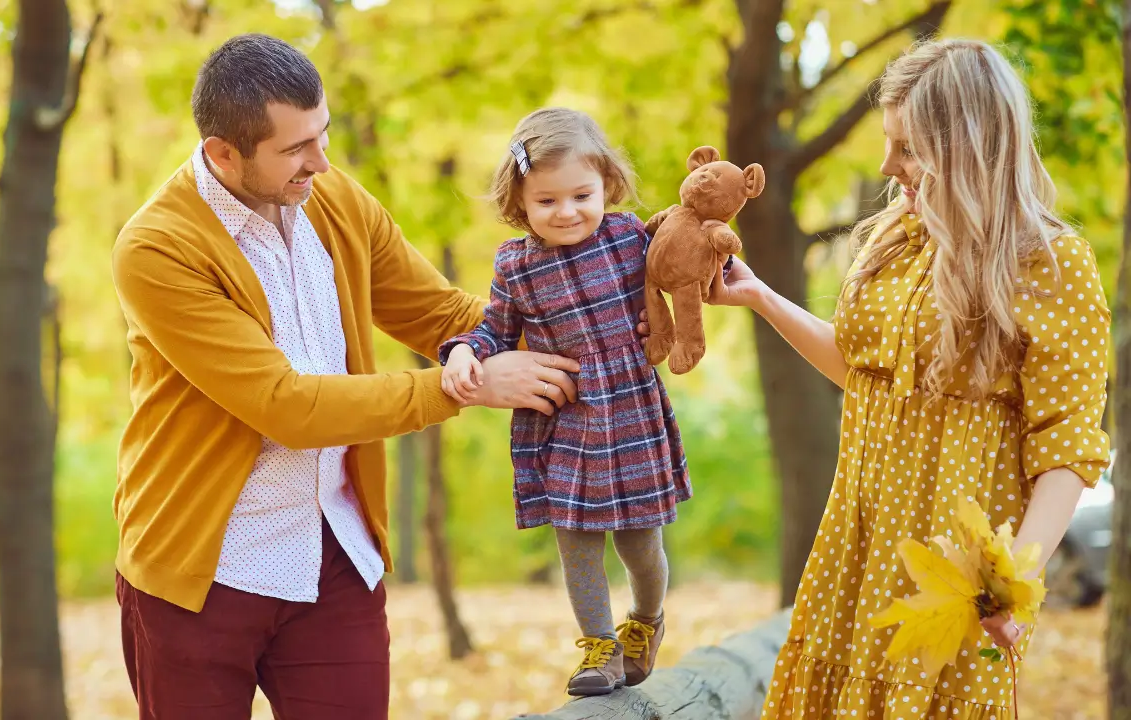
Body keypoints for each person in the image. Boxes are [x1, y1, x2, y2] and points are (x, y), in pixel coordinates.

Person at [108, 34, 627, 720]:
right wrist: (461, 387)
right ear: (223, 154)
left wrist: (606, 318)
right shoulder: (158, 247)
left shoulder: (333, 199)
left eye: (321, 135)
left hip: (334, 556)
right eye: (295, 149)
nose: (320, 162)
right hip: (201, 572)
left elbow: (438, 312)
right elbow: (284, 407)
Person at [707, 38, 1111, 718]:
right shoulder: (894, 238)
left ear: (972, 147)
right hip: (853, 551)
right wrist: (761, 298)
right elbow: (864, 374)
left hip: (953, 580)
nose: (887, 165)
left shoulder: (1048, 262)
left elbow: (1064, 448)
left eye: (909, 148)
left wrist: (1010, 583)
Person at [439, 108, 690, 696]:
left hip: (628, 413)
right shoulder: (516, 266)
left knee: (639, 544)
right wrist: (461, 353)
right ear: (520, 204)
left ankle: (645, 620)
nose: (567, 211)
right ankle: (598, 649)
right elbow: (494, 331)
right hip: (565, 420)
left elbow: (685, 263)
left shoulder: (631, 238)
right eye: (547, 201)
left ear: (607, 184)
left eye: (582, 194)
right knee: (575, 540)